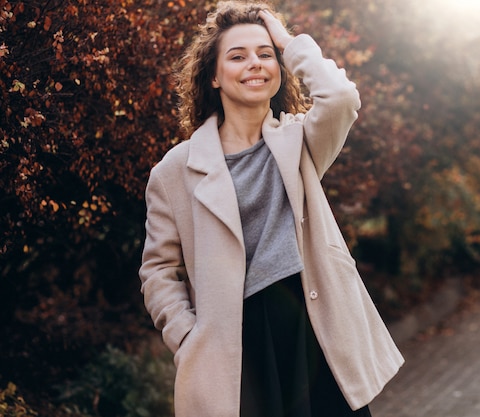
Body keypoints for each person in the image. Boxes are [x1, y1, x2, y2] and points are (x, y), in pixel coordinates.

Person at [138, 2, 404, 416]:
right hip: (237, 343)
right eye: (237, 56)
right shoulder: (175, 170)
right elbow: (158, 271)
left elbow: (340, 98)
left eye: (265, 55)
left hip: (315, 326)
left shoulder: (298, 141)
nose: (255, 64)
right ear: (212, 76)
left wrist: (288, 42)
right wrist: (188, 334)